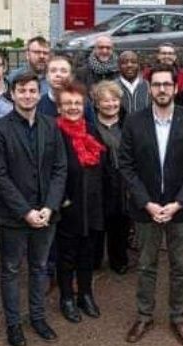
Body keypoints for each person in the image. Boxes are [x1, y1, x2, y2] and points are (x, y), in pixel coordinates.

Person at [120, 64, 183, 346]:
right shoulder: (134, 121)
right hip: (145, 209)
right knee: (146, 265)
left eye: (166, 85)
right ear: (150, 88)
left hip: (181, 209)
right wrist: (145, 202)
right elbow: (126, 166)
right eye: (156, 84)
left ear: (175, 87)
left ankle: (178, 317)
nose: (161, 89)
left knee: (180, 267)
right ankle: (144, 315)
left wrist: (178, 203)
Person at [0, 71, 67, 346]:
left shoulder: (52, 125)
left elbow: (60, 168)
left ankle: (38, 317)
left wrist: (49, 206)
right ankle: (13, 324)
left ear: (38, 92)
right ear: (12, 94)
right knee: (10, 270)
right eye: (21, 90)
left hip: (47, 214)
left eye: (32, 90)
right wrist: (25, 211)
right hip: (14, 216)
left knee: (40, 267)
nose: (27, 95)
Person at [52, 83, 108, 324]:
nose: (73, 107)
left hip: (93, 203)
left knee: (88, 253)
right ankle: (66, 297)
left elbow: (102, 168)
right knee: (66, 255)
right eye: (68, 103)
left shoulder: (92, 131)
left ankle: (85, 293)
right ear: (59, 107)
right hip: (68, 204)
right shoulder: (54, 133)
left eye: (77, 103)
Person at [91, 80, 132, 275]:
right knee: (98, 221)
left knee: (121, 221)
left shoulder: (129, 124)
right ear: (97, 103)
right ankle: (95, 258)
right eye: (105, 101)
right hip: (98, 180)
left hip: (123, 179)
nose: (110, 104)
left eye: (114, 100)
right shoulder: (90, 125)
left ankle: (119, 259)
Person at [37, 56, 96, 122]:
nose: (58, 74)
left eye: (63, 71)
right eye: (53, 71)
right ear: (47, 76)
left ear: (71, 76)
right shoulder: (38, 103)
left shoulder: (82, 101)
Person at [116, 51, 150, 117]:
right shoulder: (112, 87)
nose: (129, 65)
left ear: (138, 65)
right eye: (124, 62)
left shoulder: (148, 85)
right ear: (119, 66)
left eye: (133, 62)